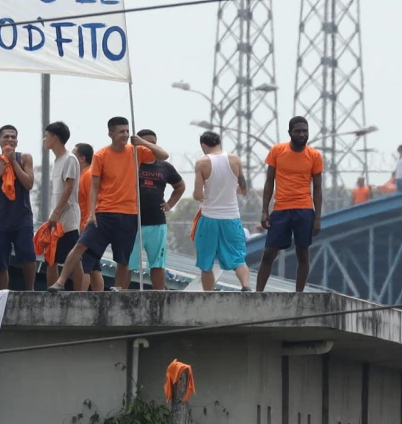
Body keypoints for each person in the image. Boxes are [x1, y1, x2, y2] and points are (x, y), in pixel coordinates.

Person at [49, 117, 169, 292]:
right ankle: (60, 282)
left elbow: (163, 155)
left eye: (127, 131)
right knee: (80, 246)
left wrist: (142, 141)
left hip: (129, 213)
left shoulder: (136, 151)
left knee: (123, 258)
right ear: (110, 134)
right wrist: (92, 213)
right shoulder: (101, 155)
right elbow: (95, 186)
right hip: (104, 213)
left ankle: (117, 290)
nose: (125, 135)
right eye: (121, 131)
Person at [256, 116, 324, 292]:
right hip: (281, 209)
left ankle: (299, 295)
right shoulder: (277, 151)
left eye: (305, 131)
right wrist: (265, 211)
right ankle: (257, 294)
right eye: (298, 131)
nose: (302, 134)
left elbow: (317, 188)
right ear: (290, 133)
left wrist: (317, 217)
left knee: (303, 252)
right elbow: (269, 181)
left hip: (304, 209)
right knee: (269, 252)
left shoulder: (314, 156)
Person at [192, 131, 250, 292]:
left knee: (206, 261)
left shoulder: (202, 163)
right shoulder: (235, 160)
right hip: (231, 217)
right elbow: (244, 189)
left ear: (204, 146)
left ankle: (209, 294)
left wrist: (205, 195)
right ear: (219, 143)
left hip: (209, 217)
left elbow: (197, 194)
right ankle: (245, 286)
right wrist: (230, 190)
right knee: (238, 257)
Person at [131, 129, 185, 291]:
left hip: (156, 222)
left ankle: (158, 296)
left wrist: (170, 204)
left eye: (153, 143)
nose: (149, 147)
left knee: (157, 263)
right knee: (126, 263)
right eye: (145, 143)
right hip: (132, 221)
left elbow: (180, 186)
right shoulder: (131, 163)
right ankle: (120, 293)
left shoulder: (165, 167)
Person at [0, 125, 36, 291]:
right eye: (6, 137)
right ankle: (3, 293)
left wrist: (13, 162)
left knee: (28, 255)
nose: (10, 140)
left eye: (13, 137)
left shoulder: (24, 158)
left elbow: (28, 184)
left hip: (22, 216)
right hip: (0, 217)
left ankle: (30, 291)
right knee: (1, 261)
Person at [43, 122, 83, 291]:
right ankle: (52, 293)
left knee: (73, 259)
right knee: (51, 258)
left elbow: (69, 187)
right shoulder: (57, 160)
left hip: (68, 218)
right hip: (57, 218)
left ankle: (80, 295)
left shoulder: (70, 159)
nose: (44, 139)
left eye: (46, 136)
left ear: (55, 138)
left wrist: (57, 212)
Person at [73, 143, 105, 292]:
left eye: (74, 155)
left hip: (87, 226)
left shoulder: (88, 175)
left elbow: (91, 202)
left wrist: (86, 226)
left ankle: (80, 298)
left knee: (84, 265)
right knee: (94, 266)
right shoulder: (82, 176)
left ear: (81, 158)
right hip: (86, 225)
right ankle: (100, 297)